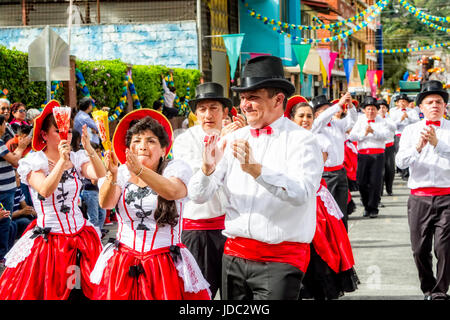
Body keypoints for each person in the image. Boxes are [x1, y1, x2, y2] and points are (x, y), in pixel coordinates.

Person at [188, 55, 323, 300]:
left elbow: (302, 193)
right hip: (234, 256)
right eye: (242, 98)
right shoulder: (232, 139)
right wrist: (206, 169)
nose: (245, 105)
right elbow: (197, 196)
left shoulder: (303, 140)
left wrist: (257, 171)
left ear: (278, 99)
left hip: (281, 259)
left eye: (253, 98)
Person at [90, 109, 210, 300]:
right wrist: (111, 174)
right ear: (128, 148)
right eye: (136, 141)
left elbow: (172, 191)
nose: (142, 146)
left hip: (164, 264)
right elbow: (106, 203)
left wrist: (139, 171)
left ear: (164, 149)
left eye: (151, 141)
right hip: (123, 262)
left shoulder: (176, 168)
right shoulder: (121, 172)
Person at [0, 100, 106, 300]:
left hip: (82, 237)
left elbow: (99, 174)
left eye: (67, 131)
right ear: (44, 135)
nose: (65, 136)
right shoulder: (34, 162)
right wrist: (61, 163)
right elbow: (45, 189)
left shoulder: (76, 158)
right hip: (50, 242)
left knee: (81, 290)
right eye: (58, 131)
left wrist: (89, 149)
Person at [285, 96, 358, 300]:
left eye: (309, 116)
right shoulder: (287, 141)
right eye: (301, 116)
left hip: (318, 200)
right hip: (296, 200)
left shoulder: (314, 138)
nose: (306, 120)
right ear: (292, 119)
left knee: (323, 247)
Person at [173, 82, 237, 299]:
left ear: (225, 111)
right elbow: (197, 186)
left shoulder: (237, 136)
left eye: (214, 108)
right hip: (197, 230)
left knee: (234, 295)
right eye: (202, 109)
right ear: (195, 113)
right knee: (200, 296)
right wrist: (220, 145)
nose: (208, 114)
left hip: (232, 229)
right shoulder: (184, 140)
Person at [395, 80, 450, 300]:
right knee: (419, 249)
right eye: (430, 102)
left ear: (445, 106)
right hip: (419, 198)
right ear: (421, 107)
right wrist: (418, 147)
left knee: (445, 249)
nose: (435, 105)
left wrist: (437, 143)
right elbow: (400, 162)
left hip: (447, 196)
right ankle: (428, 288)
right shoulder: (410, 131)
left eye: (439, 101)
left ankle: (439, 292)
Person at [309, 93, 357, 230]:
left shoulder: (336, 124)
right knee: (328, 210)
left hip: (340, 171)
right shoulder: (316, 127)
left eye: (328, 108)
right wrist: (338, 105)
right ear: (317, 114)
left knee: (341, 209)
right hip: (326, 175)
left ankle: (342, 238)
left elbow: (352, 121)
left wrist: (350, 105)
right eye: (323, 110)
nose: (328, 112)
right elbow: (321, 119)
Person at [349, 96, 390, 218]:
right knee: (362, 182)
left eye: (373, 109)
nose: (371, 111)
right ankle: (366, 205)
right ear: (364, 110)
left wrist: (373, 132)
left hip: (378, 154)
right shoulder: (360, 120)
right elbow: (352, 136)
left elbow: (386, 136)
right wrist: (364, 134)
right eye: (368, 109)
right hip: (363, 154)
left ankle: (373, 208)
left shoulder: (382, 121)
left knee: (375, 182)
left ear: (376, 110)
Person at [0, 114, 30, 265]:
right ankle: (2, 255)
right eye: (4, 125)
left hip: (7, 190)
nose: (6, 128)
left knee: (6, 222)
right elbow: (14, 160)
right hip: (4, 191)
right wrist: (21, 147)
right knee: (5, 222)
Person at [390, 93, 419, 180]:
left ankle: (407, 173)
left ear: (407, 103)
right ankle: (403, 172)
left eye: (404, 101)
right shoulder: (393, 111)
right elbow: (392, 125)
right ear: (397, 103)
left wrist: (408, 117)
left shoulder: (412, 111)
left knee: (410, 151)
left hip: (410, 135)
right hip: (399, 135)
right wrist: (401, 119)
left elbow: (417, 122)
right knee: (400, 152)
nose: (402, 103)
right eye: (400, 101)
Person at [80, 142, 106, 236]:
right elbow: (94, 181)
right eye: (97, 151)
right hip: (90, 192)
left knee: (102, 215)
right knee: (94, 217)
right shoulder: (90, 163)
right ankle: (95, 237)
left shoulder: (99, 162)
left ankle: (98, 235)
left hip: (97, 192)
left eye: (100, 151)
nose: (99, 153)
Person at [377, 99, 397, 196]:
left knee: (390, 169)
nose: (381, 109)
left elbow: (394, 127)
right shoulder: (374, 118)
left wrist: (384, 120)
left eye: (384, 107)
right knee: (380, 171)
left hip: (389, 146)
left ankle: (389, 189)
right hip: (378, 148)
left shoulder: (390, 118)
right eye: (380, 107)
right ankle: (379, 192)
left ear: (387, 109)